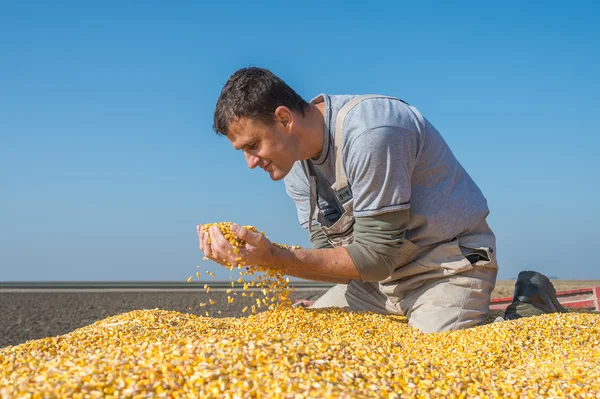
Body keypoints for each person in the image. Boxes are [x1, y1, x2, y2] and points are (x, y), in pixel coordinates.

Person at [198, 67, 565, 333]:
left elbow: (375, 256)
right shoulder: (294, 167)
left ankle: (528, 313)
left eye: (252, 145)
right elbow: (328, 251)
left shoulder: (372, 132)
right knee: (303, 330)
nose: (250, 162)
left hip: (444, 266)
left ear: (283, 118)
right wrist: (277, 269)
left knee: (437, 359)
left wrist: (273, 259)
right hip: (378, 284)